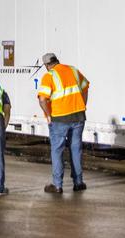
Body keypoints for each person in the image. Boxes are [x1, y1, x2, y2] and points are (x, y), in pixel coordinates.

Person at [37, 52, 89, 193]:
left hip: (59, 118)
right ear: (58, 60)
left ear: (47, 65)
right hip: (78, 116)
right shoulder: (73, 70)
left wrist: (48, 115)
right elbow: (85, 87)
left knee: (57, 150)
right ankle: (78, 183)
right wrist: (83, 105)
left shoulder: (49, 76)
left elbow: (42, 99)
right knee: (76, 149)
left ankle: (57, 185)